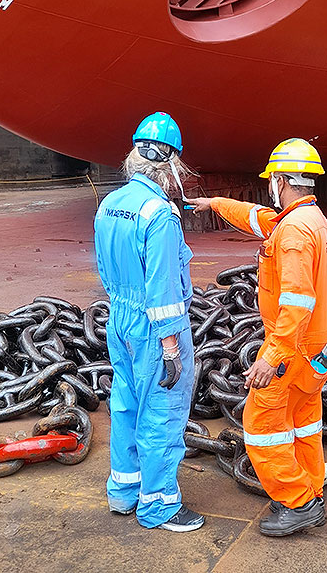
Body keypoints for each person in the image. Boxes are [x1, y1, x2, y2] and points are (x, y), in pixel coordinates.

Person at [189, 138, 327, 537]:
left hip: (294, 346)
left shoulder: (292, 234)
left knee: (262, 424)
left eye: (271, 180)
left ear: (280, 180)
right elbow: (258, 218)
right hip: (322, 347)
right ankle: (311, 489)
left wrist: (270, 357)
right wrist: (217, 204)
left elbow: (295, 303)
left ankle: (297, 502)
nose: (269, 187)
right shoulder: (309, 219)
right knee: (304, 420)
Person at [94, 112, 204, 532]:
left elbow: (104, 269)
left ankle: (123, 492)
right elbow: (163, 291)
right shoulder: (160, 214)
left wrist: (125, 307)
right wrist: (172, 348)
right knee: (161, 411)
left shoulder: (110, 205)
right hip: (155, 331)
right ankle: (159, 506)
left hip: (119, 319)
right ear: (170, 163)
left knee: (125, 404)